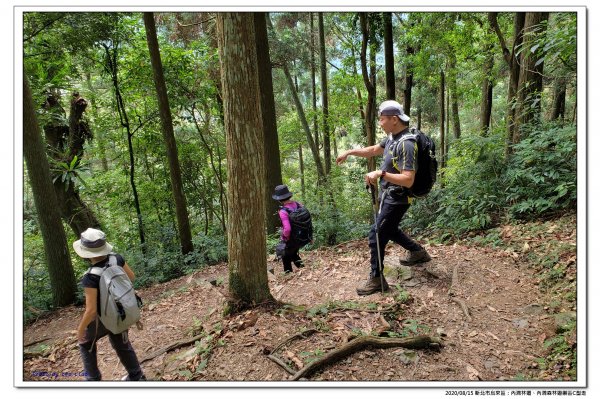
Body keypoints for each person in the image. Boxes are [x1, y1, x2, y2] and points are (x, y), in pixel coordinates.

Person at [336, 100, 431, 296]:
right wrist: (349, 152)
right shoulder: (392, 137)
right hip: (390, 195)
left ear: (394, 119)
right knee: (390, 228)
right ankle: (417, 252)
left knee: (376, 234)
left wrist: (381, 174)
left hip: (398, 197)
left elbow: (408, 180)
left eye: (382, 119)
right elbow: (372, 150)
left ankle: (377, 279)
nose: (379, 123)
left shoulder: (406, 144)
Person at [74, 228, 146, 381]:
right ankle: (137, 376)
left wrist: (80, 329)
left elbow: (91, 311)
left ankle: (93, 380)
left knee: (86, 343)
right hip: (120, 310)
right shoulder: (117, 259)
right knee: (121, 342)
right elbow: (131, 278)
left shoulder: (90, 276)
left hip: (101, 319)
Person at [272, 185, 305, 273]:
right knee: (293, 253)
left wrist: (284, 237)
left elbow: (287, 229)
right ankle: (303, 268)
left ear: (279, 199)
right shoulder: (298, 205)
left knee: (285, 255)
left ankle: (288, 273)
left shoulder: (283, 212)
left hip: (292, 238)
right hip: (301, 236)